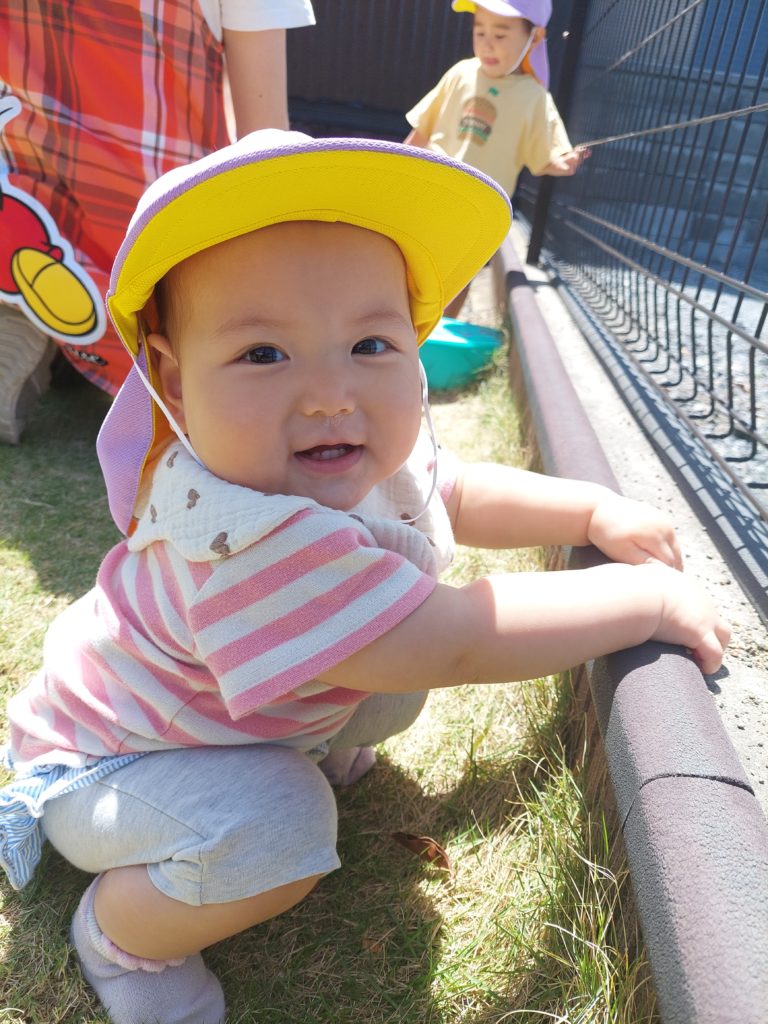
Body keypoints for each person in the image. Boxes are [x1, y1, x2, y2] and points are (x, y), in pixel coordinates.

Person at [0, 130, 728, 1024]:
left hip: (210, 711)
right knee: (280, 822)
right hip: (115, 765)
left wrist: (587, 513)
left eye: (371, 343)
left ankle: (295, 737)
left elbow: (453, 489)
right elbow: (456, 641)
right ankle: (121, 939)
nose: (329, 394)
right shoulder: (245, 541)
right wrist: (644, 600)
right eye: (263, 354)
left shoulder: (334, 453)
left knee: (387, 678)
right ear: (173, 383)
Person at [0, 0, 315, 443]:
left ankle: (31, 315)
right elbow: (263, 140)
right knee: (192, 363)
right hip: (156, 240)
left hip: (25, 211)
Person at [405, 0, 587, 316]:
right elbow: (422, 131)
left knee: (457, 277)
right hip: (431, 191)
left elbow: (543, 156)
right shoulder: (461, 72)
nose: (487, 44)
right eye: (480, 32)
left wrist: (565, 164)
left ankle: (436, 332)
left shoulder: (534, 97)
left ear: (534, 37)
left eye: (500, 35)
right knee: (408, 267)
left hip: (480, 207)